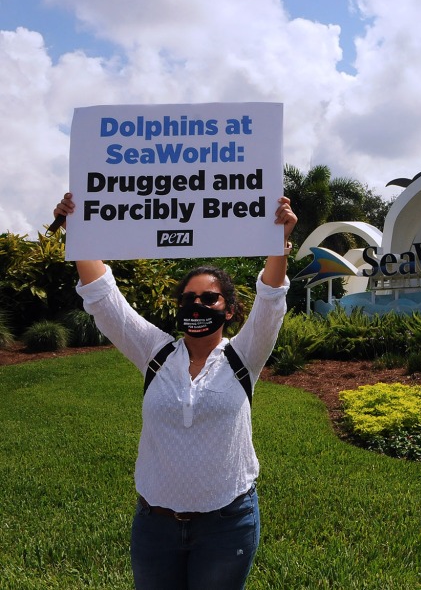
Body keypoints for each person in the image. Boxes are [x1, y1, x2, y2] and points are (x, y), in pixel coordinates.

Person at [53, 191, 297, 590]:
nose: (197, 304)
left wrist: (279, 242)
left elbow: (271, 300)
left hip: (227, 525)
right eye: (188, 298)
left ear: (229, 309)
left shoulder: (244, 355)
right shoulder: (154, 351)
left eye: (209, 298)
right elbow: (104, 298)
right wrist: (79, 232)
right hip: (155, 527)